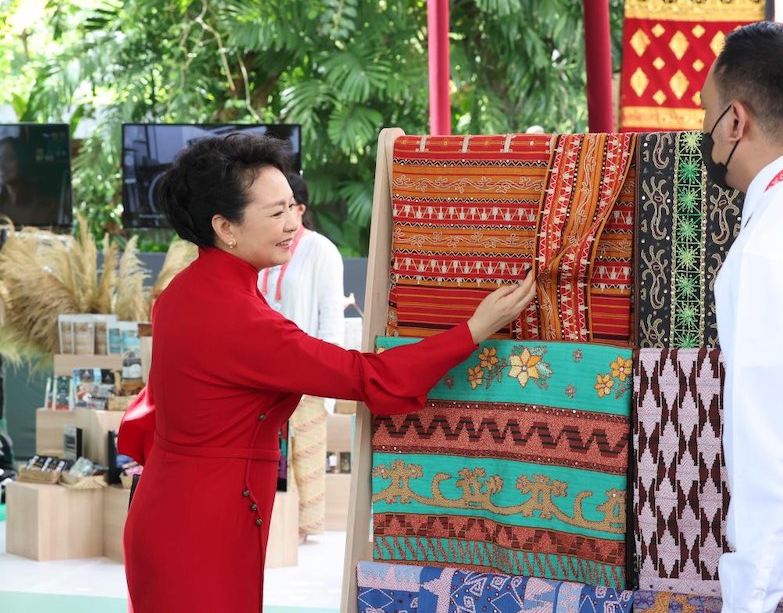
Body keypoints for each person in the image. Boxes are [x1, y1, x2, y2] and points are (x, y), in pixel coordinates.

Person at [117, 132, 535, 612]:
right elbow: (366, 377)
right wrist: (473, 330)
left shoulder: (185, 291)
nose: (293, 223)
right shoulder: (237, 317)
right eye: (275, 213)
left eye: (293, 207)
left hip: (174, 504)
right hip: (203, 522)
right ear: (225, 227)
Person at [701, 21, 783, 613]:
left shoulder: (770, 245)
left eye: (709, 118)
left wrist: (751, 601)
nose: (708, 142)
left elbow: (774, 445)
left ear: (737, 122)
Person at [258, 171, 344, 541]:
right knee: (266, 449)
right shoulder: (259, 248)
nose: (281, 218)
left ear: (300, 208)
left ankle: (302, 531)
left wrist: (328, 373)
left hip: (307, 368)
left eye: (286, 207)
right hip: (263, 371)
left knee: (305, 451)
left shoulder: (319, 249)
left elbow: (330, 316)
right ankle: (271, 523)